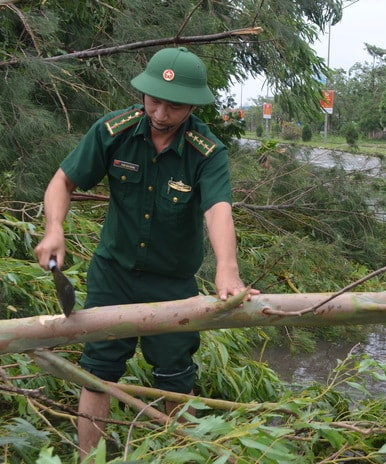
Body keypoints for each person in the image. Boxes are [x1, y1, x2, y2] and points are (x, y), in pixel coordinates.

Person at [34, 47, 259, 458]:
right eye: (153, 100)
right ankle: (91, 457)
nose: (159, 113)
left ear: (193, 105)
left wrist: (227, 270)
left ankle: (178, 453)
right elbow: (62, 182)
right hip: (112, 273)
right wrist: (54, 230)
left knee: (175, 376)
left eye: (172, 106)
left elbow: (217, 210)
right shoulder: (113, 130)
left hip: (172, 282)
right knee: (97, 373)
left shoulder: (207, 151)